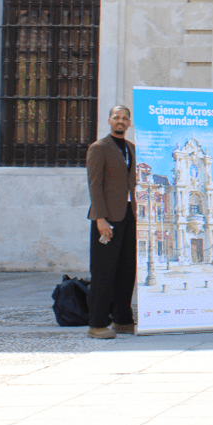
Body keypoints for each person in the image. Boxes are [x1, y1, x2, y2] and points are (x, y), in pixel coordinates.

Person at [85, 105, 138, 339]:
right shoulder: (99, 148)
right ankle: (97, 323)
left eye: (125, 118)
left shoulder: (131, 148)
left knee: (127, 270)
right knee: (104, 271)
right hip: (107, 218)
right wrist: (100, 218)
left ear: (129, 123)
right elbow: (94, 185)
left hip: (129, 215)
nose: (121, 121)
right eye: (116, 117)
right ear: (109, 120)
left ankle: (122, 320)